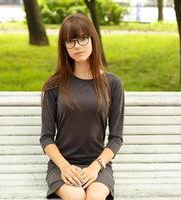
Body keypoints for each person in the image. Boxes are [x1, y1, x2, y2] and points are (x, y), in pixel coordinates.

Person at [40, 13, 125, 200]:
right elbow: (46, 138)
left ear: (93, 39)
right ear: (64, 47)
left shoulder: (113, 84)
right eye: (71, 41)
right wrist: (64, 167)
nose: (77, 46)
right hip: (62, 165)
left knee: (95, 197)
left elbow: (116, 138)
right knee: (76, 196)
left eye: (83, 38)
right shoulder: (54, 85)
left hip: (98, 164)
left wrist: (96, 167)